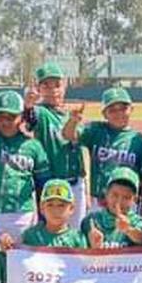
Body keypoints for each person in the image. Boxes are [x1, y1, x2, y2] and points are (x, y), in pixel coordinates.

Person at [0, 90, 50, 241]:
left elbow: (42, 184)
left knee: (19, 261)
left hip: (21, 215)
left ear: (22, 117)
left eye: (11, 117)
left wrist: (44, 220)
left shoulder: (33, 146)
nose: (5, 122)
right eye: (1, 116)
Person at [61, 86, 142, 213]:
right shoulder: (96, 130)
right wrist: (73, 121)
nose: (119, 114)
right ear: (104, 114)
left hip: (127, 201)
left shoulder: (139, 140)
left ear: (131, 109)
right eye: (112, 110)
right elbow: (68, 135)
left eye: (123, 108)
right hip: (100, 200)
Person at [22, 62, 87, 225]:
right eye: (47, 86)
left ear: (64, 86)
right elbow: (30, 119)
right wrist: (29, 105)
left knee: (77, 231)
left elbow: (79, 154)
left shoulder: (72, 115)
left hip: (75, 182)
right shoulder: (42, 112)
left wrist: (85, 188)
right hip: (51, 184)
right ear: (39, 89)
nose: (53, 91)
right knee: (51, 231)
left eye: (57, 85)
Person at [80, 167, 142, 249]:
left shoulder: (137, 221)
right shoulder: (92, 220)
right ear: (106, 194)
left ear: (135, 199)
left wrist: (128, 230)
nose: (119, 201)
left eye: (126, 197)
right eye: (115, 195)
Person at [20, 179, 89, 248]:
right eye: (50, 205)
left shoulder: (78, 239)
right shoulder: (32, 236)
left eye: (61, 205)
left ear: (71, 208)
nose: (55, 210)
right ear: (41, 208)